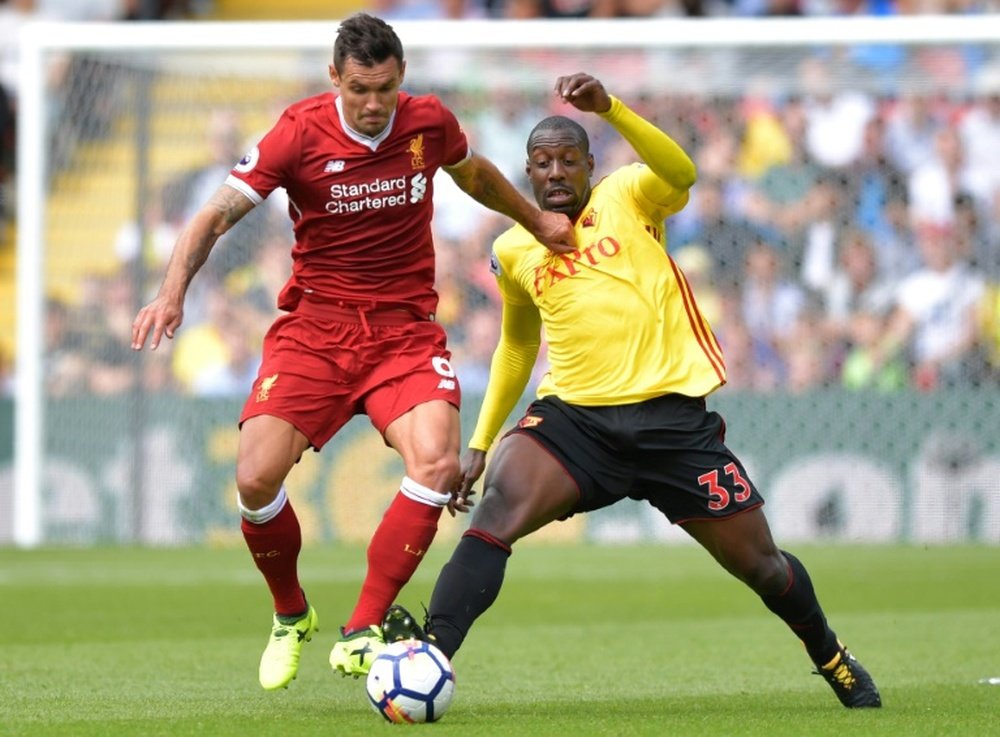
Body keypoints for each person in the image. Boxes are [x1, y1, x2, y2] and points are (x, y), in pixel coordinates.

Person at [383, 72, 882, 709]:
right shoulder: (514, 247)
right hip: (575, 423)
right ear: (528, 172)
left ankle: (832, 658)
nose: (556, 172)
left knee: (762, 565)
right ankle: (431, 657)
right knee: (498, 510)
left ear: (591, 165)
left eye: (569, 160)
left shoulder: (630, 194)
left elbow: (683, 172)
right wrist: (480, 443)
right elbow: (515, 346)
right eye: (542, 163)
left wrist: (612, 108)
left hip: (673, 424)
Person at [130, 12, 575, 691]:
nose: (374, 104)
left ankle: (363, 625)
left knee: (437, 462)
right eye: (361, 88)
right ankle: (290, 613)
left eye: (387, 89)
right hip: (316, 329)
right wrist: (171, 293)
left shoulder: (427, 124)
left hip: (403, 330)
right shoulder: (298, 133)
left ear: (403, 80)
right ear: (334, 77)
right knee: (253, 479)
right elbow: (214, 213)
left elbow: (475, 174)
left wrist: (536, 219)